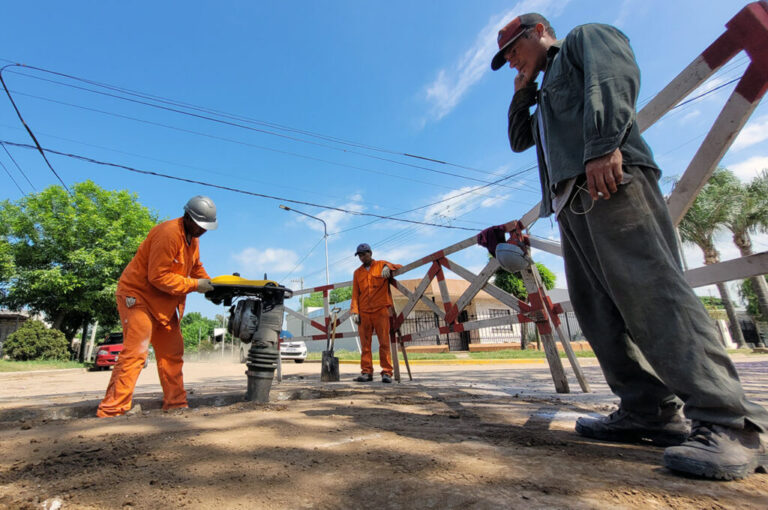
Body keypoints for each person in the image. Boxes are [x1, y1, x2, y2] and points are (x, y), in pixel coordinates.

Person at [493, 13, 768, 480]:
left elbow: (614, 78)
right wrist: (521, 92)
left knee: (654, 294)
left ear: (539, 31)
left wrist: (604, 145)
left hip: (610, 180)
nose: (514, 59)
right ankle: (650, 411)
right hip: (570, 203)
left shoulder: (584, 39)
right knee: (598, 311)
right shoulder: (540, 90)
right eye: (507, 58)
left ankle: (731, 423)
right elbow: (521, 141)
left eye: (515, 48)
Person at [97, 196, 218, 417]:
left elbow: (196, 267)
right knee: (135, 353)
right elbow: (158, 276)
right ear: (188, 217)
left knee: (172, 353)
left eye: (206, 227)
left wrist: (213, 286)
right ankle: (112, 410)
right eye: (200, 226)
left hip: (164, 302)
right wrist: (196, 285)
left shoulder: (193, 239)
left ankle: (176, 404)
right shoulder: (168, 233)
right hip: (138, 297)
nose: (203, 231)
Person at [350, 243, 402, 383]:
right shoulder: (357, 273)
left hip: (381, 310)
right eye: (359, 255)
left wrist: (388, 267)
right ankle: (366, 372)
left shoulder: (381, 265)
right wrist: (354, 311)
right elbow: (355, 293)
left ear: (370, 253)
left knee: (384, 342)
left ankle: (386, 372)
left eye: (364, 254)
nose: (361, 257)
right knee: (365, 344)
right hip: (364, 312)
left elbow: (399, 266)